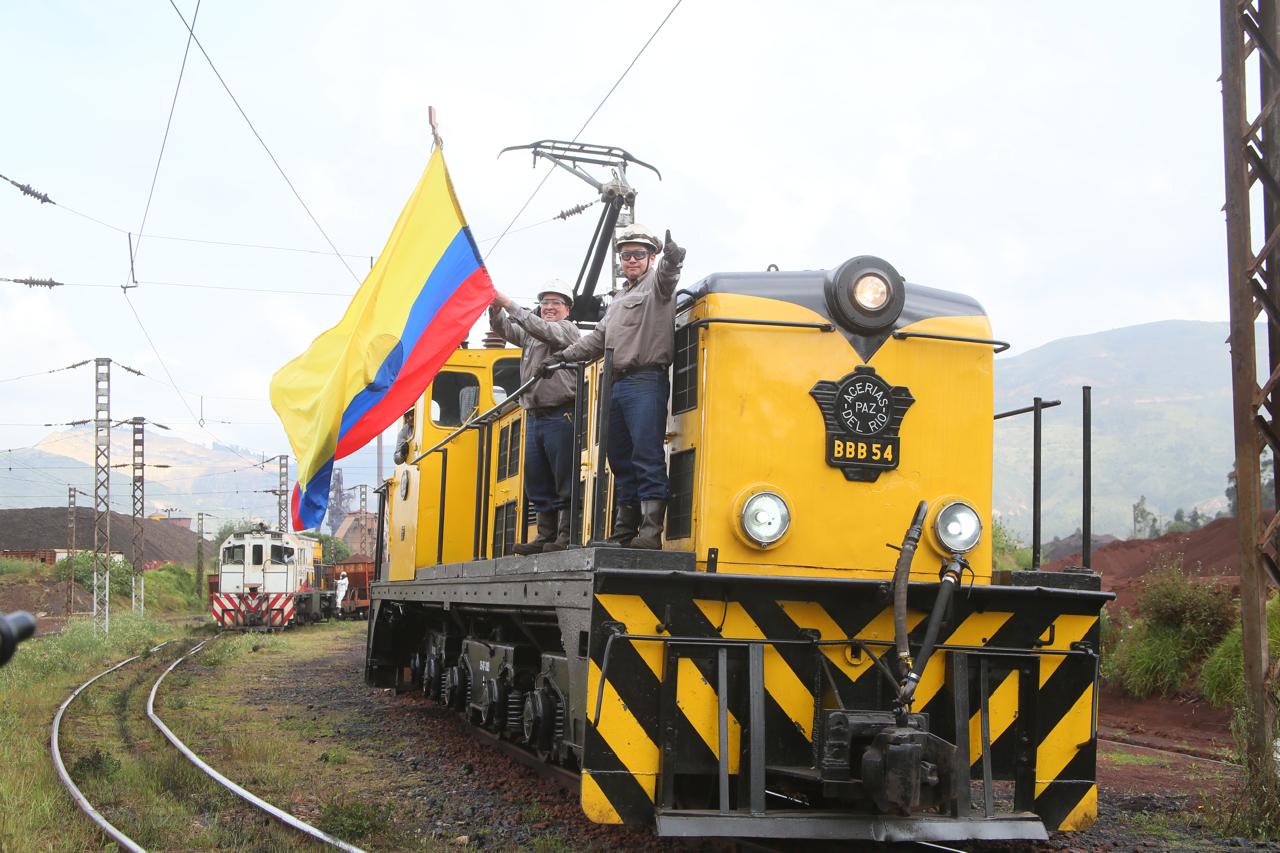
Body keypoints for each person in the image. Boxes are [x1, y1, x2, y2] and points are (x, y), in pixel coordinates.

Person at [554, 225, 686, 549]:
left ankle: (651, 533)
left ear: (651, 257)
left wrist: (673, 256)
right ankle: (624, 532)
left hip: (646, 381)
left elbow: (669, 273)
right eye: (626, 255)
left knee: (646, 453)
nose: (631, 260)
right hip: (617, 386)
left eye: (639, 254)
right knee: (620, 458)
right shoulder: (617, 300)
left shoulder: (658, 285)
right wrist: (561, 358)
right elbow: (597, 339)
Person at [490, 281, 583, 553]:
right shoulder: (532, 333)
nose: (549, 307)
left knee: (563, 475)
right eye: (545, 303)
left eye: (556, 303)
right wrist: (496, 310)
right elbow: (506, 328)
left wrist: (509, 303)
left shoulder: (567, 330)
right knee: (537, 478)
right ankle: (545, 536)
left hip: (561, 412)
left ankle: (565, 536)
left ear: (567, 309)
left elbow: (541, 329)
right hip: (535, 415)